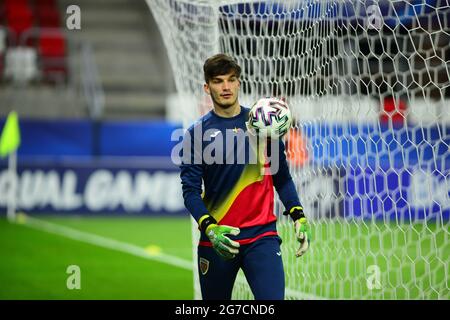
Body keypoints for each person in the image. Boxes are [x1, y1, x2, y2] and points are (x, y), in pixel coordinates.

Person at [179, 53, 311, 300]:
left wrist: (298, 215)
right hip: (217, 240)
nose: (226, 87)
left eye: (231, 79)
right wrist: (209, 228)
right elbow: (190, 192)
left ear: (239, 82)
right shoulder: (196, 134)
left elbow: (281, 178)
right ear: (207, 87)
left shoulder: (264, 123)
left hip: (262, 238)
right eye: (218, 81)